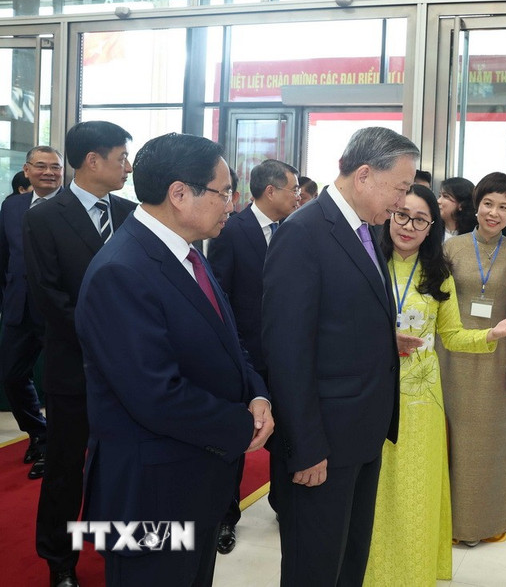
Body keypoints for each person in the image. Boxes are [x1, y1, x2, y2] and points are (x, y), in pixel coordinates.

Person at [74, 133, 273, 586]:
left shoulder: (186, 255)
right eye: (224, 192)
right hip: (150, 491)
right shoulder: (122, 271)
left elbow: (228, 341)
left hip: (193, 480)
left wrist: (256, 393)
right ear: (180, 194)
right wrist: (241, 426)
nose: (232, 204)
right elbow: (154, 394)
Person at [261, 126, 420, 586]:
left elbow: (341, 320)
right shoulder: (305, 234)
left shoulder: (365, 232)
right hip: (323, 444)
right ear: (365, 175)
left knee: (349, 560)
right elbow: (288, 353)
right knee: (315, 566)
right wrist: (306, 448)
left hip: (360, 435)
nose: (402, 202)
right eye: (401, 188)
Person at [364, 185, 506, 585]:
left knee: (417, 490)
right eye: (402, 215)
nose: (408, 226)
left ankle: (414, 572)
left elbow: (453, 335)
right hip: (371, 393)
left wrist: (493, 335)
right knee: (378, 488)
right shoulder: (366, 263)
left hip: (422, 401)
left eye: (420, 220)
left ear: (430, 229)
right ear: (389, 214)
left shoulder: (437, 274)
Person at [23, 122, 138, 587]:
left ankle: (125, 549)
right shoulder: (45, 218)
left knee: (127, 466)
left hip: (133, 370)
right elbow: (50, 298)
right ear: (93, 160)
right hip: (75, 368)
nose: (128, 167)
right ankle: (60, 562)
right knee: (68, 468)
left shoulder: (133, 215)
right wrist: (109, 339)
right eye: (121, 157)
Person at [207, 158, 299, 553]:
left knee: (287, 434)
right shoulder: (233, 229)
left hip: (288, 356)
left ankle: (285, 504)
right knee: (239, 438)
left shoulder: (296, 230)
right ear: (271, 191)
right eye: (293, 189)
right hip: (245, 356)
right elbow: (220, 295)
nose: (299, 196)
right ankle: (227, 517)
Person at [440, 171, 506, 545]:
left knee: (487, 440)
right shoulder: (450, 248)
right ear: (476, 207)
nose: (494, 212)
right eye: (488, 204)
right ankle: (449, 521)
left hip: (494, 358)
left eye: (503, 207)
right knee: (451, 436)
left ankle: (482, 521)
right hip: (450, 353)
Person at [0, 146, 63, 483]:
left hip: (57, 313)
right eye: (41, 166)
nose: (49, 172)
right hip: (18, 308)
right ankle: (38, 432)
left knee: (56, 384)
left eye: (55, 166)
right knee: (11, 374)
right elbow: (4, 256)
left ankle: (55, 447)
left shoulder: (72, 207)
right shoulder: (11, 206)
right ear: (27, 170)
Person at [437, 176, 477, 242]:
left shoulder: (476, 232)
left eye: (445, 196)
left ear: (462, 204)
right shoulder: (432, 228)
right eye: (439, 196)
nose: (438, 201)